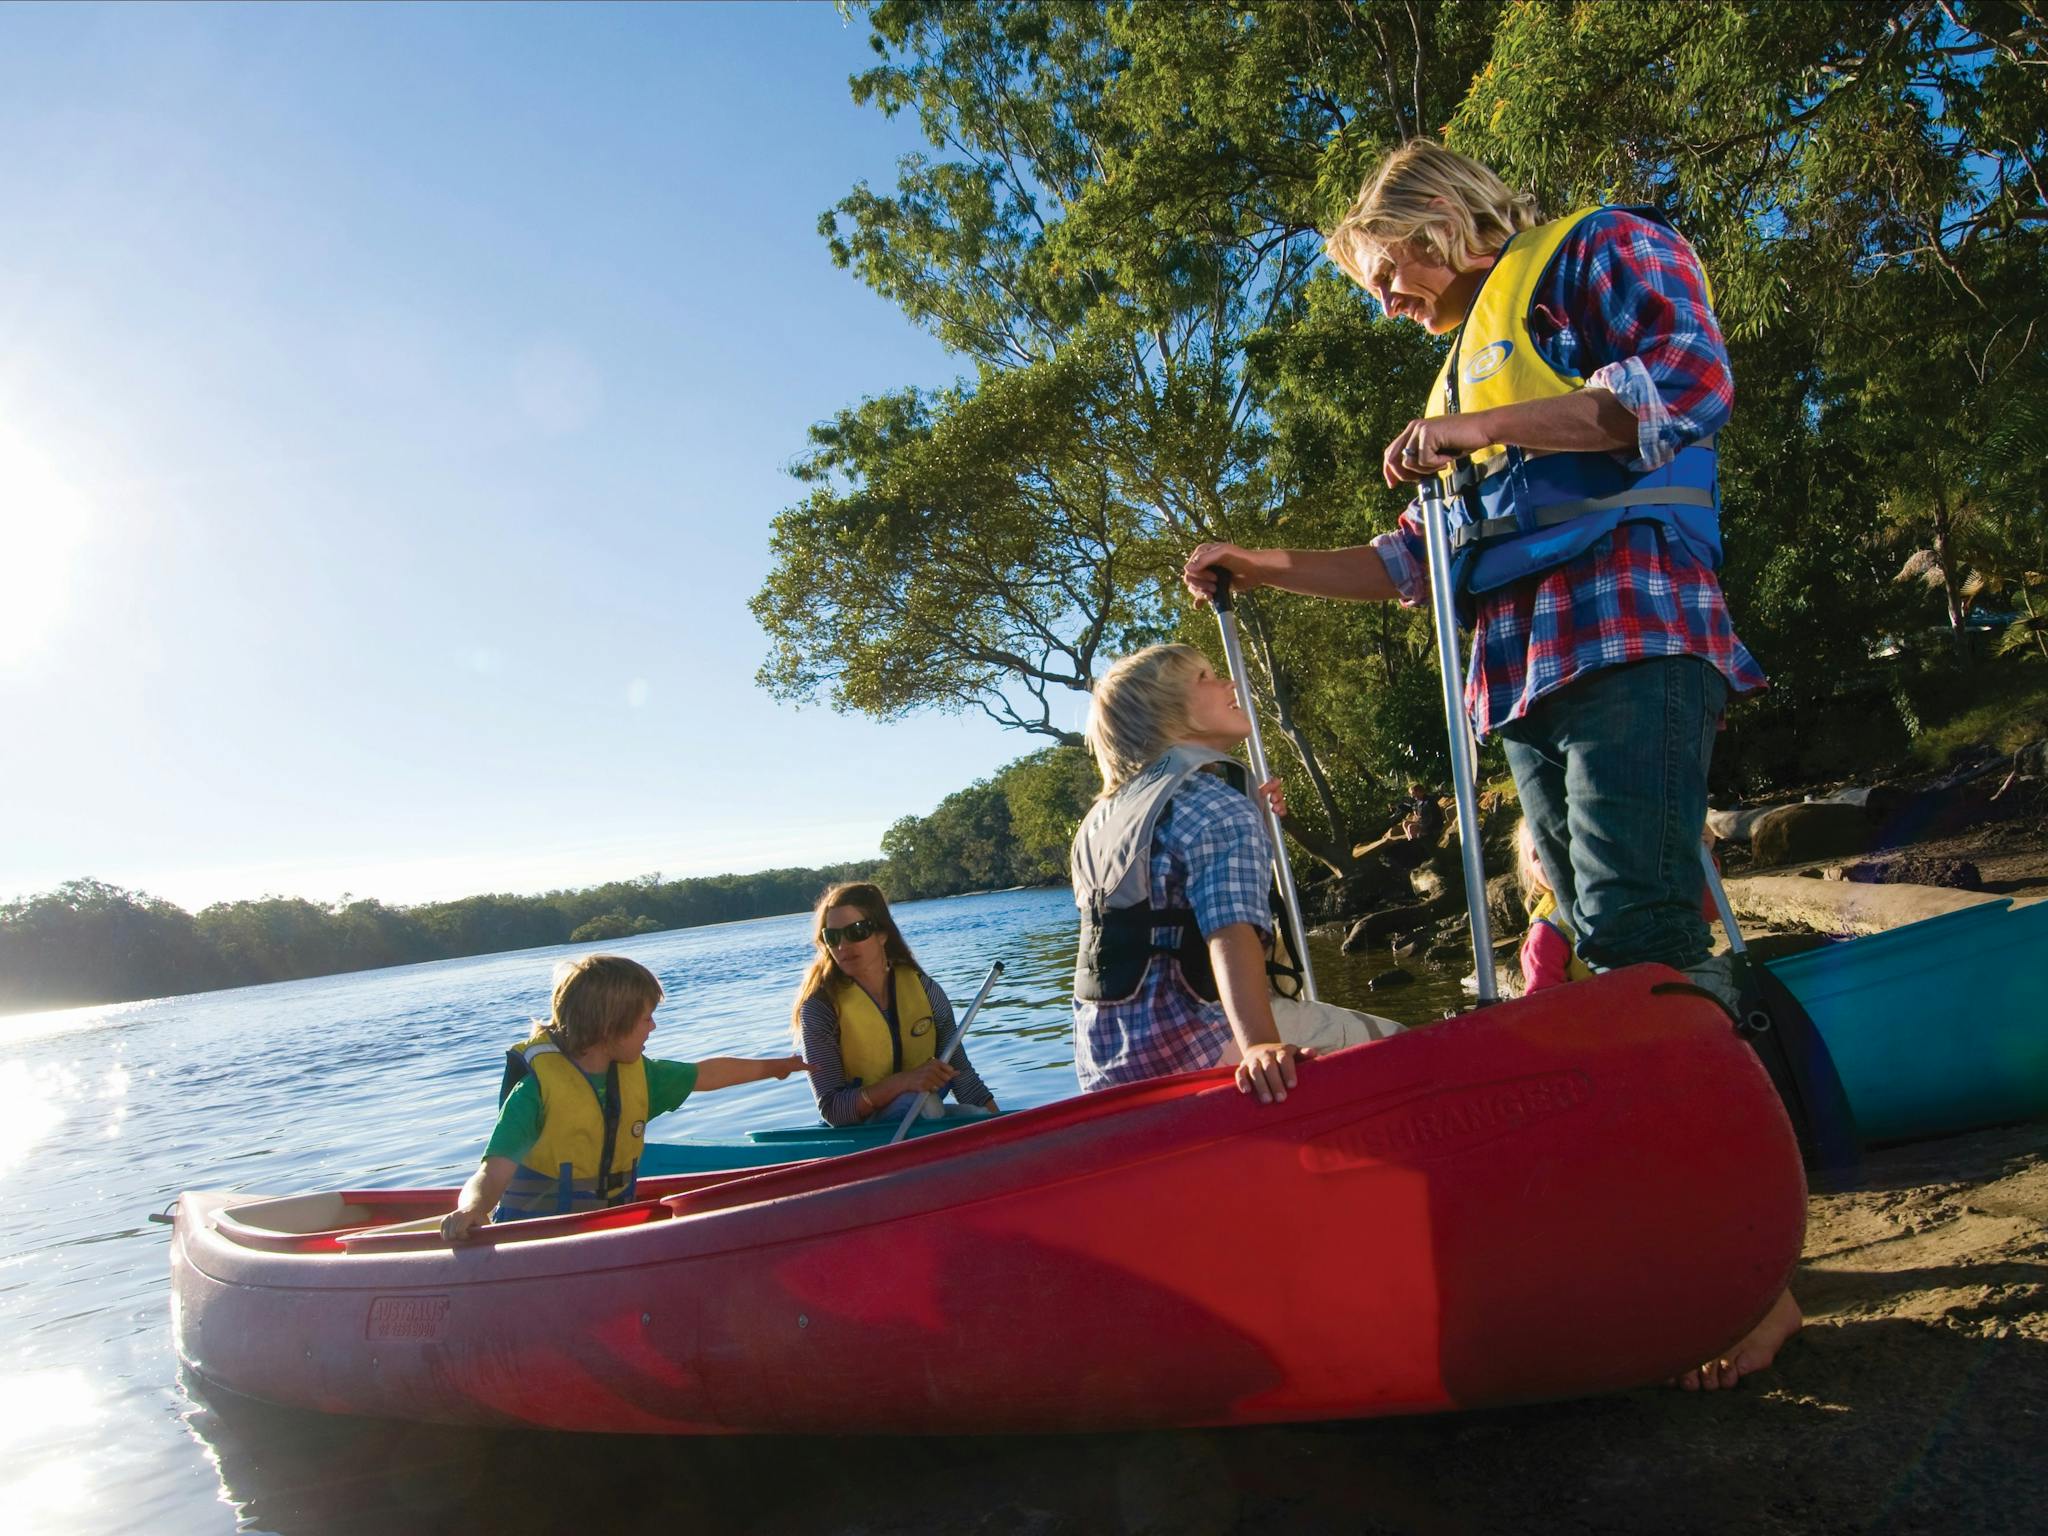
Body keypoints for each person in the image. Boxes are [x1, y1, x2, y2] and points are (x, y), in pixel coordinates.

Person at [1182, 140, 1793, 1388]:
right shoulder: (1460, 372)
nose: (1390, 301)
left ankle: (1755, 1280)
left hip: (1628, 636)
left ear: (1434, 224)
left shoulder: (1597, 251)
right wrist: (1265, 565)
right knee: (1581, 964)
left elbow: (1681, 379)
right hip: (1520, 680)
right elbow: (1413, 561)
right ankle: (1666, 1240)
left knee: (1640, 944)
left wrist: (1473, 424)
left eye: (1386, 275)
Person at [1071, 644, 1395, 1107]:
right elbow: (1229, 929)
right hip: (1198, 1043)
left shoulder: (1100, 823)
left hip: (1107, 1065)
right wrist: (1259, 1043)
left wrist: (1255, 819)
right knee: (1398, 1044)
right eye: (1206, 677)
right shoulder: (1219, 807)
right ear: (1166, 714)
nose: (1229, 683)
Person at [442, 954, 806, 1240]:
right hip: (535, 1240)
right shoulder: (535, 1092)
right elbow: (493, 1171)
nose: (653, 1026)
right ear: (609, 1025)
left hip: (607, 1231)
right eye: (646, 1018)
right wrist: (473, 1209)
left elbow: (708, 1073)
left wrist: (776, 1066)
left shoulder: (639, 1075)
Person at [793, 882, 999, 1127]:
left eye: (856, 931)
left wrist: (1006, 1130)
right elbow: (833, 1109)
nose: (842, 946)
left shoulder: (926, 991)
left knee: (977, 1117)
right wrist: (903, 1082)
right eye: (832, 937)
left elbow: (962, 1077)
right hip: (862, 1134)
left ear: (882, 934)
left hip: (921, 1116)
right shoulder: (820, 1008)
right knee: (925, 1105)